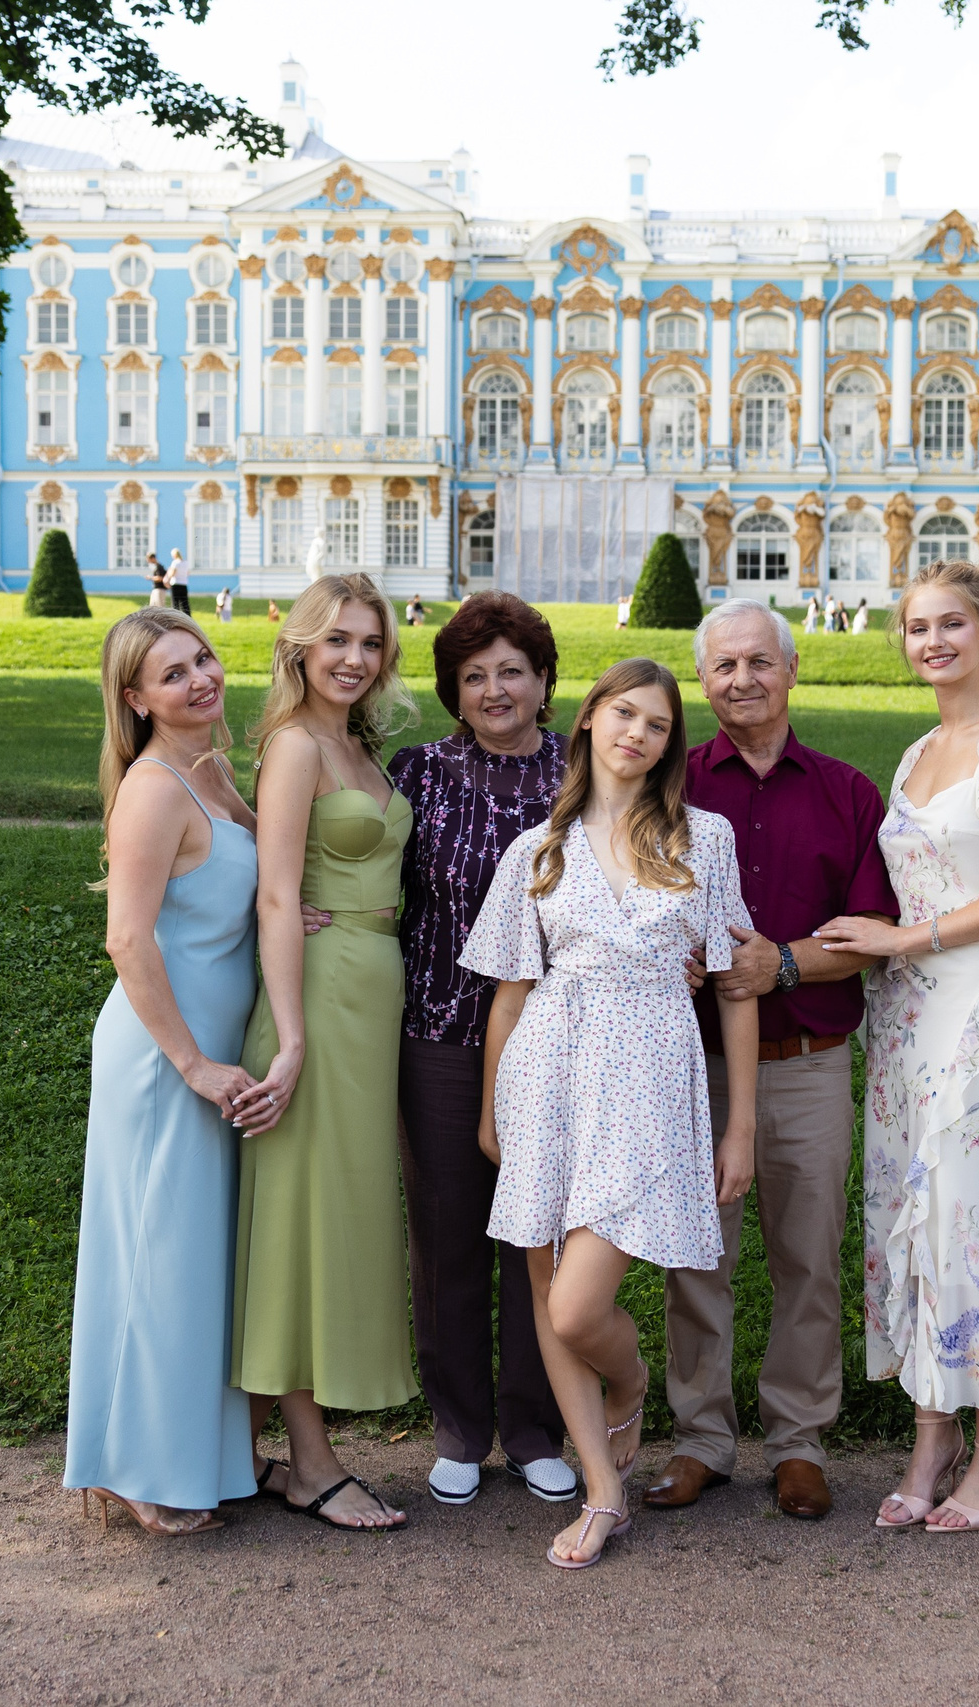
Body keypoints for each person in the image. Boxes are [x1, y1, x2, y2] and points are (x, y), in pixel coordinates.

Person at [464, 657, 760, 1569]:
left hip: (650, 1079)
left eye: (659, 724)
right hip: (547, 1076)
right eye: (624, 713)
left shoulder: (702, 839)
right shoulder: (535, 851)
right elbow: (511, 998)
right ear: (589, 719)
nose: (637, 732)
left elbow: (739, 987)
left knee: (579, 1307)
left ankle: (628, 1385)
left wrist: (739, 1122)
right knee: (548, 1295)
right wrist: (492, 1110)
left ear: (670, 744)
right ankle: (602, 1489)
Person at [815, 562, 979, 1532]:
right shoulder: (917, 749)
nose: (932, 643)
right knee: (901, 1210)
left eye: (950, 624)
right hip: (906, 1012)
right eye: (916, 628)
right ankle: (932, 1431)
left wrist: (903, 940)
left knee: (963, 1212)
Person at [641, 600, 893, 1523]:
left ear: (792, 670)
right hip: (685, 1063)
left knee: (808, 1257)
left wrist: (779, 960)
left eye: (758, 662)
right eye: (721, 667)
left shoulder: (846, 793)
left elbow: (870, 937)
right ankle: (702, 1436)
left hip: (809, 1062)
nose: (740, 680)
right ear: (702, 682)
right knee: (693, 1255)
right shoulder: (665, 790)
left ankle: (797, 1438)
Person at [67, 607, 276, 1536]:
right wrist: (190, 1062)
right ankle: (136, 1470)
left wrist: (288, 917)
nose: (200, 679)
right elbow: (126, 937)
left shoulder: (213, 770)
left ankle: (182, 1454)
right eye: (173, 673)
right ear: (135, 698)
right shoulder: (153, 790)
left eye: (204, 659)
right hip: (164, 1060)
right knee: (156, 1257)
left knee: (190, 1263)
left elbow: (248, 875)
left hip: (212, 1053)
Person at [233, 573, 420, 1531]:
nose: (353, 657)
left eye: (370, 642)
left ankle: (249, 1449)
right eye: (336, 639)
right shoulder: (296, 746)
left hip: (371, 994)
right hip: (316, 1000)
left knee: (338, 1211)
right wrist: (292, 1033)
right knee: (303, 1222)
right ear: (301, 644)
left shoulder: (358, 744)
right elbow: (272, 893)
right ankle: (309, 1462)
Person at [382, 593, 578, 1510]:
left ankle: (536, 1426)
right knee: (447, 1235)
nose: (495, 689)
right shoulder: (416, 773)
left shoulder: (586, 776)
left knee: (538, 1242)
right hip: (440, 1037)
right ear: (453, 692)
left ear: (544, 681)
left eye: (512, 670)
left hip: (564, 1044)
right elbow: (367, 881)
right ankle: (460, 1427)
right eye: (474, 675)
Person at [167, 547, 191, 616]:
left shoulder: (175, 563)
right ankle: (188, 616)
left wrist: (169, 573)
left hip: (176, 584)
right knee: (185, 602)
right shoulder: (186, 563)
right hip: (184, 584)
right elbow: (188, 573)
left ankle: (176, 616)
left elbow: (172, 574)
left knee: (175, 603)